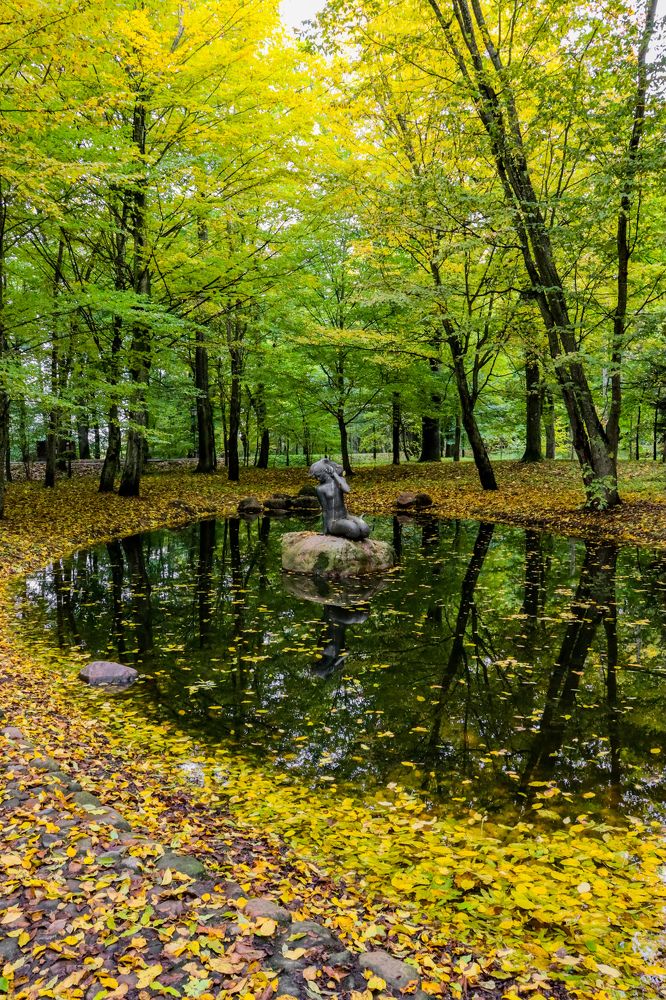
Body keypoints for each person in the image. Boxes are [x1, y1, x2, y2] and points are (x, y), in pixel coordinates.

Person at [309, 458, 371, 541]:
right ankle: (349, 526)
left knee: (365, 530)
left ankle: (353, 524)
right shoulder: (320, 489)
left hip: (345, 516)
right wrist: (325, 530)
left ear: (326, 471)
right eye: (316, 477)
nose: (318, 479)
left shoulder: (340, 481)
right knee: (354, 531)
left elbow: (347, 490)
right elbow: (325, 510)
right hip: (333, 522)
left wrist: (334, 474)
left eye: (319, 476)